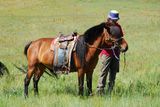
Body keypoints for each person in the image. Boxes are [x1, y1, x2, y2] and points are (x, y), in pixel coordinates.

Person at [97, 10, 124, 95]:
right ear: (109, 18)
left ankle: (110, 91)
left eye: (116, 19)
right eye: (113, 19)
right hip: (106, 53)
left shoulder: (118, 27)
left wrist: (122, 46)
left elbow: (121, 38)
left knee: (113, 72)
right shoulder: (105, 27)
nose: (115, 21)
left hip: (116, 53)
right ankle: (100, 91)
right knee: (103, 73)